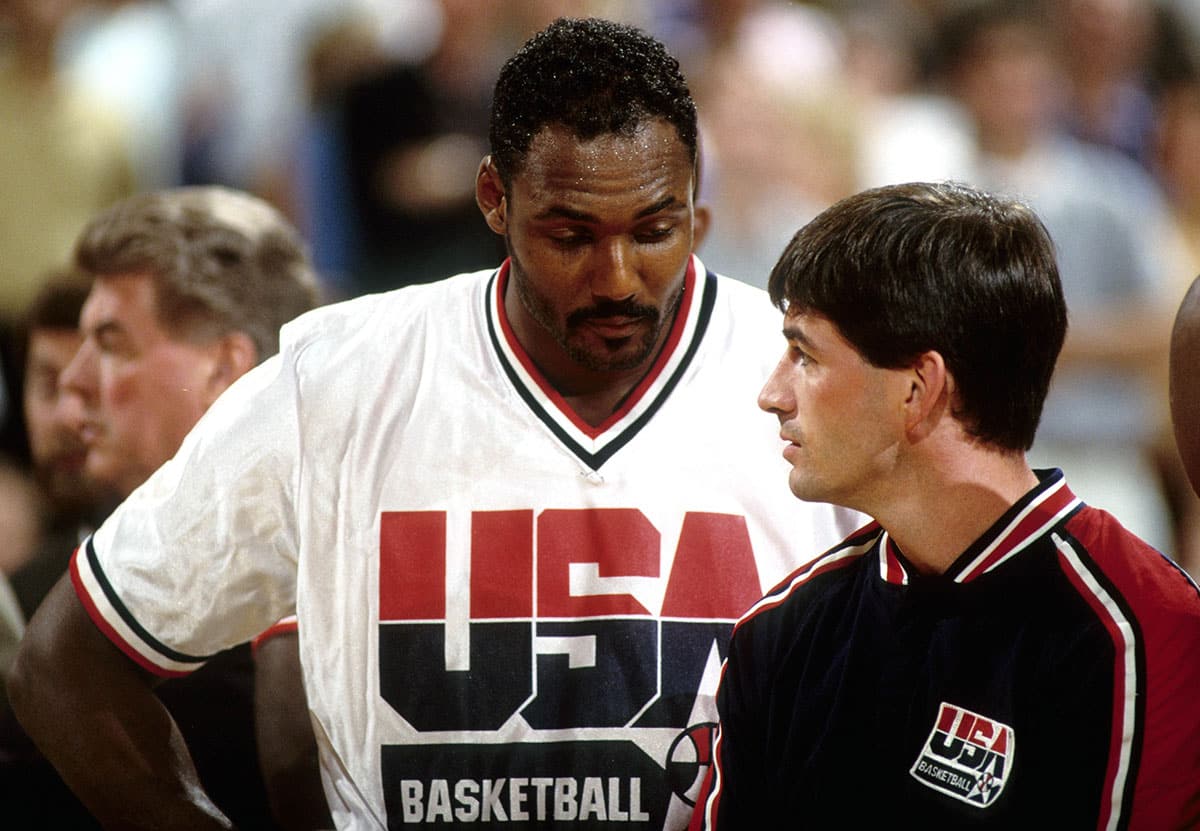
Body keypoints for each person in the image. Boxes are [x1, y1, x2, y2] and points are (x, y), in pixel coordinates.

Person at [10, 17, 858, 830]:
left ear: (693, 201)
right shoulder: (338, 377)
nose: (617, 277)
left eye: (655, 229)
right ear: (494, 197)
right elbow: (66, 662)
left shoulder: (813, 374)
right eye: (570, 234)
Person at [693, 180, 1200, 829]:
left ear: (918, 389)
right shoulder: (778, 630)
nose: (772, 393)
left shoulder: (1144, 634)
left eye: (804, 354)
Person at [9, 185, 324, 829]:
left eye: (111, 341)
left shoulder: (361, 572)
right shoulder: (27, 600)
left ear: (225, 370)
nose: (75, 382)